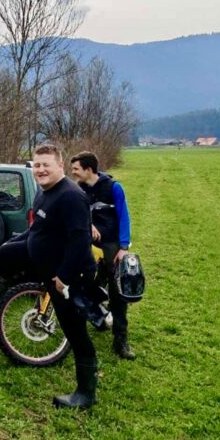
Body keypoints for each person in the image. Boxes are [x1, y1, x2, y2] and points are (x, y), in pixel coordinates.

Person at [0, 144, 99, 409]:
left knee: (75, 332)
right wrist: (17, 241)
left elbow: (81, 242)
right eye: (37, 165)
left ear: (60, 165)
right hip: (44, 262)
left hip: (68, 275)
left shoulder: (71, 196)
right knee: (6, 253)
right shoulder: (44, 193)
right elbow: (38, 228)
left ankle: (86, 393)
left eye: (46, 164)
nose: (41, 170)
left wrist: (65, 278)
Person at [70, 151, 136, 360]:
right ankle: (97, 318)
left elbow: (123, 216)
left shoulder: (114, 188)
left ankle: (121, 341)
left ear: (89, 169)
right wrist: (89, 225)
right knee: (86, 286)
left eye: (76, 170)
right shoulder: (78, 190)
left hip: (111, 246)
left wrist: (123, 246)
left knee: (117, 294)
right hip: (87, 245)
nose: (73, 174)